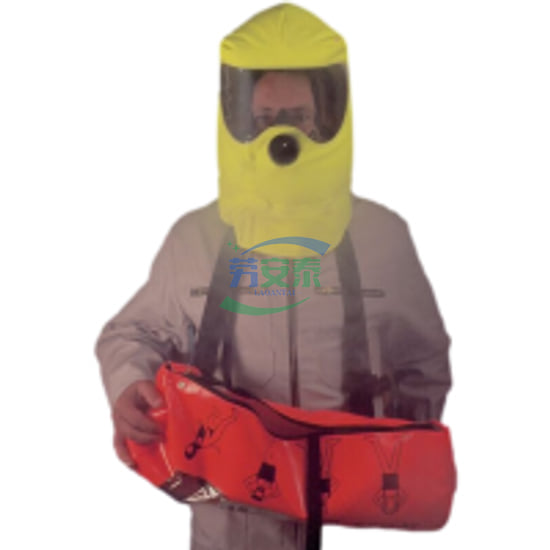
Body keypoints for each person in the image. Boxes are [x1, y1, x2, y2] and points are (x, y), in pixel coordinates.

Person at [94, 4, 452, 550]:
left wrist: (392, 457)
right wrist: (129, 386)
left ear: (327, 119)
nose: (281, 136)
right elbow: (132, 333)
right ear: (236, 123)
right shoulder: (195, 239)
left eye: (296, 117)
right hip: (229, 522)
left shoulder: (382, 238)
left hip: (355, 519)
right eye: (263, 120)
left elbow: (423, 363)